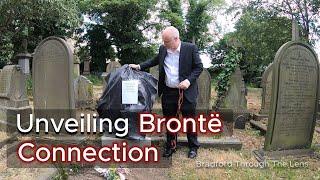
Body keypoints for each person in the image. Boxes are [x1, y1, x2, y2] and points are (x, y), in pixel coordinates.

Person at [130, 26, 203, 158]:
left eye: (167, 41)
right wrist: (139, 66)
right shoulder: (163, 49)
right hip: (168, 91)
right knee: (170, 120)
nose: (164, 44)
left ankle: (193, 147)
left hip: (186, 92)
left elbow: (199, 67)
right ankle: (171, 145)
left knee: (189, 120)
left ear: (176, 39)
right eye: (163, 41)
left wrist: (188, 81)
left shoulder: (190, 49)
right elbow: (154, 60)